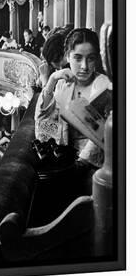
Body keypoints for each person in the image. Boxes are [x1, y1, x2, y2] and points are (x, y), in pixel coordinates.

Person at [35, 28, 112, 188]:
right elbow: (42, 121)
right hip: (67, 159)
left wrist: (82, 163)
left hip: (95, 167)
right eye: (77, 58)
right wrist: (51, 80)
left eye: (90, 59)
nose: (84, 66)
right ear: (68, 56)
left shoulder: (103, 85)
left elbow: (104, 134)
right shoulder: (63, 83)